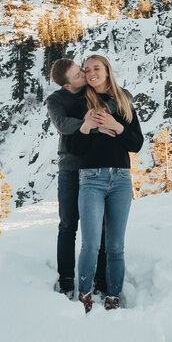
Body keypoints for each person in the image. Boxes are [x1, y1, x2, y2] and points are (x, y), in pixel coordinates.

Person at [68, 54, 144, 312]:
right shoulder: (82, 102)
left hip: (121, 179)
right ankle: (85, 292)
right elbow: (75, 148)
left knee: (115, 245)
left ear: (107, 70)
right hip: (91, 178)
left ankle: (113, 296)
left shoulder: (123, 100)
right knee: (90, 243)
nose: (91, 73)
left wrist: (117, 126)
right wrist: (87, 127)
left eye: (96, 68)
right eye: (87, 70)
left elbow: (136, 143)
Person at [45, 58, 106, 297]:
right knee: (68, 225)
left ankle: (100, 276)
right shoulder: (56, 100)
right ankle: (67, 279)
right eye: (78, 74)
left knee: (99, 227)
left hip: (94, 166)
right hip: (70, 169)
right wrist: (90, 124)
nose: (83, 73)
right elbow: (62, 124)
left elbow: (121, 96)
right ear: (67, 85)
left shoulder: (91, 90)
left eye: (81, 70)